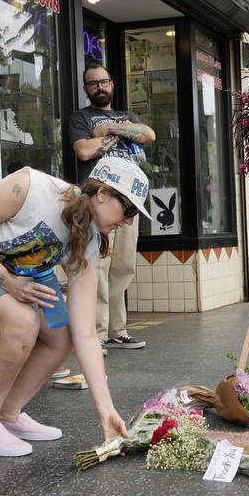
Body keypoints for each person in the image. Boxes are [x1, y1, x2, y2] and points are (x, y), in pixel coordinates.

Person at [0, 157, 153, 456]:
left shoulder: (89, 240)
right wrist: (7, 281)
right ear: (102, 193)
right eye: (130, 209)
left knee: (63, 334)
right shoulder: (31, 188)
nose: (129, 221)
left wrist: (106, 410)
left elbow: (85, 333)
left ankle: (8, 416)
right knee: (21, 321)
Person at [69, 63, 155, 354]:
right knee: (99, 265)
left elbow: (149, 134)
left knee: (123, 266)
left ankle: (118, 330)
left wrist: (110, 130)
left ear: (112, 84)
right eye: (93, 84)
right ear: (86, 89)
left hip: (130, 201)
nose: (100, 88)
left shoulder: (126, 116)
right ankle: (97, 334)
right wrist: (122, 134)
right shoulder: (80, 117)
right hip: (100, 201)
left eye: (104, 82)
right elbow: (83, 150)